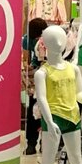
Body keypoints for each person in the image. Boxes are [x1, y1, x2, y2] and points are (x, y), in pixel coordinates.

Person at [22, 17, 48, 154]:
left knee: (33, 110)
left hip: (36, 76)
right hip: (47, 75)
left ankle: (31, 144)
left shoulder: (28, 39)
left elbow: (26, 61)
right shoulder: (47, 39)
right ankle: (43, 143)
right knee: (47, 110)